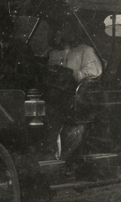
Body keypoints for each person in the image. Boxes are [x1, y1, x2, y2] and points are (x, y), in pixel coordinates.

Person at [43, 21, 103, 157]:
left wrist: (68, 73)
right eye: (56, 31)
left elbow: (92, 75)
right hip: (54, 95)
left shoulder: (85, 51)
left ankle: (56, 154)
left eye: (61, 31)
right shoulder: (53, 53)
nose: (57, 34)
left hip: (76, 98)